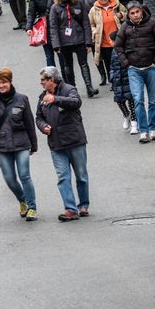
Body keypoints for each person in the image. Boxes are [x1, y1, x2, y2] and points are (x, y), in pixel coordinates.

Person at [35, 66, 90, 221]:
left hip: (74, 141)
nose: (41, 84)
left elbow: (76, 102)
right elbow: (38, 117)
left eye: (43, 80)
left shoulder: (68, 89)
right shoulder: (42, 97)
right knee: (63, 177)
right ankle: (71, 209)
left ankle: (84, 205)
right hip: (56, 144)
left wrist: (56, 99)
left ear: (52, 80)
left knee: (81, 176)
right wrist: (43, 126)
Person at [0, 67, 38, 221]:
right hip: (2, 146)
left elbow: (29, 122)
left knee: (24, 175)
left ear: (10, 82)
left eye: (4, 82)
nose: (1, 86)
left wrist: (33, 144)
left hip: (22, 143)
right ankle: (22, 199)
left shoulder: (22, 99)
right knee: (9, 178)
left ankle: (32, 207)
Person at [114, 2, 155, 142]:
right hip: (134, 70)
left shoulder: (153, 24)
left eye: (137, 12)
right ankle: (143, 130)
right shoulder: (125, 27)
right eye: (132, 13)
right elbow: (118, 47)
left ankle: (153, 128)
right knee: (138, 100)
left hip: (151, 68)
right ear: (128, 14)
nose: (135, 15)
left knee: (153, 100)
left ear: (142, 11)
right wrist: (127, 64)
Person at [50, 0, 98, 97]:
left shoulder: (79, 3)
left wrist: (88, 42)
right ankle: (72, 90)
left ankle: (89, 87)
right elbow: (53, 27)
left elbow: (86, 23)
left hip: (79, 38)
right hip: (64, 41)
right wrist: (56, 45)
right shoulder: (55, 7)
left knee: (84, 64)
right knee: (68, 66)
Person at [88, 0, 127, 88]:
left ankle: (123, 79)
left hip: (118, 39)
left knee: (121, 60)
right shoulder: (93, 10)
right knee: (109, 62)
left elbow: (127, 14)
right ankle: (113, 81)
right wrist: (95, 31)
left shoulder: (116, 5)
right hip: (104, 41)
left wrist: (121, 15)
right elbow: (91, 24)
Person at [27, 0, 58, 68]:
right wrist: (29, 27)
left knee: (63, 57)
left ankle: (67, 81)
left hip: (59, 26)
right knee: (49, 56)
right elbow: (31, 13)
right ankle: (53, 80)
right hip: (45, 28)